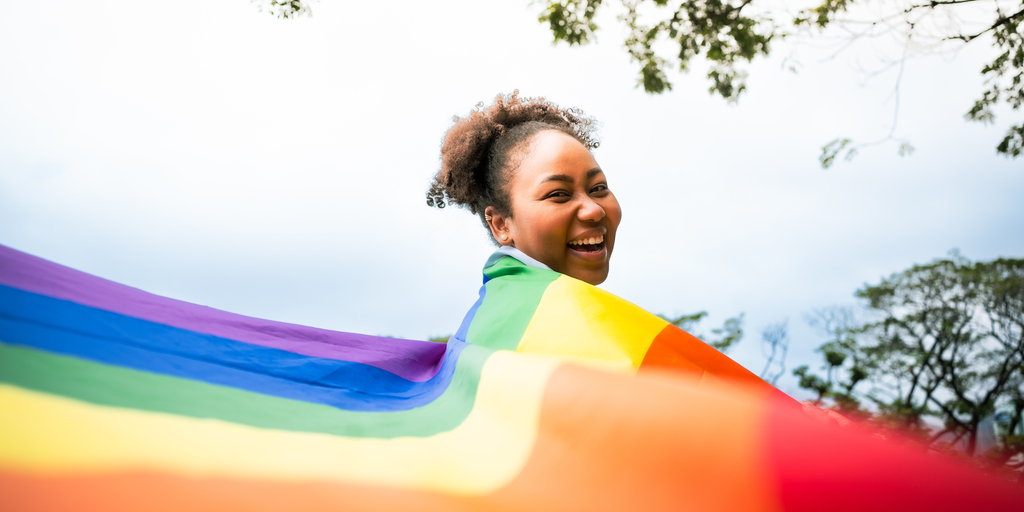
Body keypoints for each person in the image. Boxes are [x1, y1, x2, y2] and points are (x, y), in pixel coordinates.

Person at [426, 91, 621, 286]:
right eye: (558, 194)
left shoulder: (497, 308)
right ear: (501, 224)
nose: (594, 210)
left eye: (598, 188)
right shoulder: (565, 315)